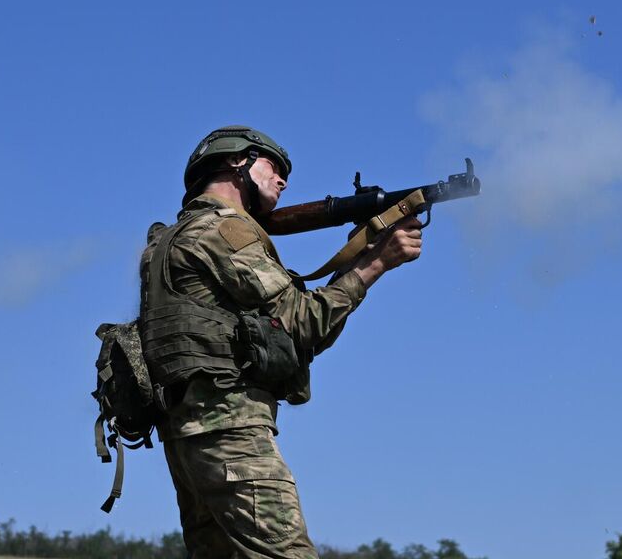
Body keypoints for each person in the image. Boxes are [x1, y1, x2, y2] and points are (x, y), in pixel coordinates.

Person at [140, 126, 424, 558]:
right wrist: (376, 262)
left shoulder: (166, 240)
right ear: (239, 162)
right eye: (273, 165)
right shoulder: (226, 230)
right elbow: (303, 324)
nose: (284, 180)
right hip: (231, 433)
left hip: (187, 439)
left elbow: (283, 333)